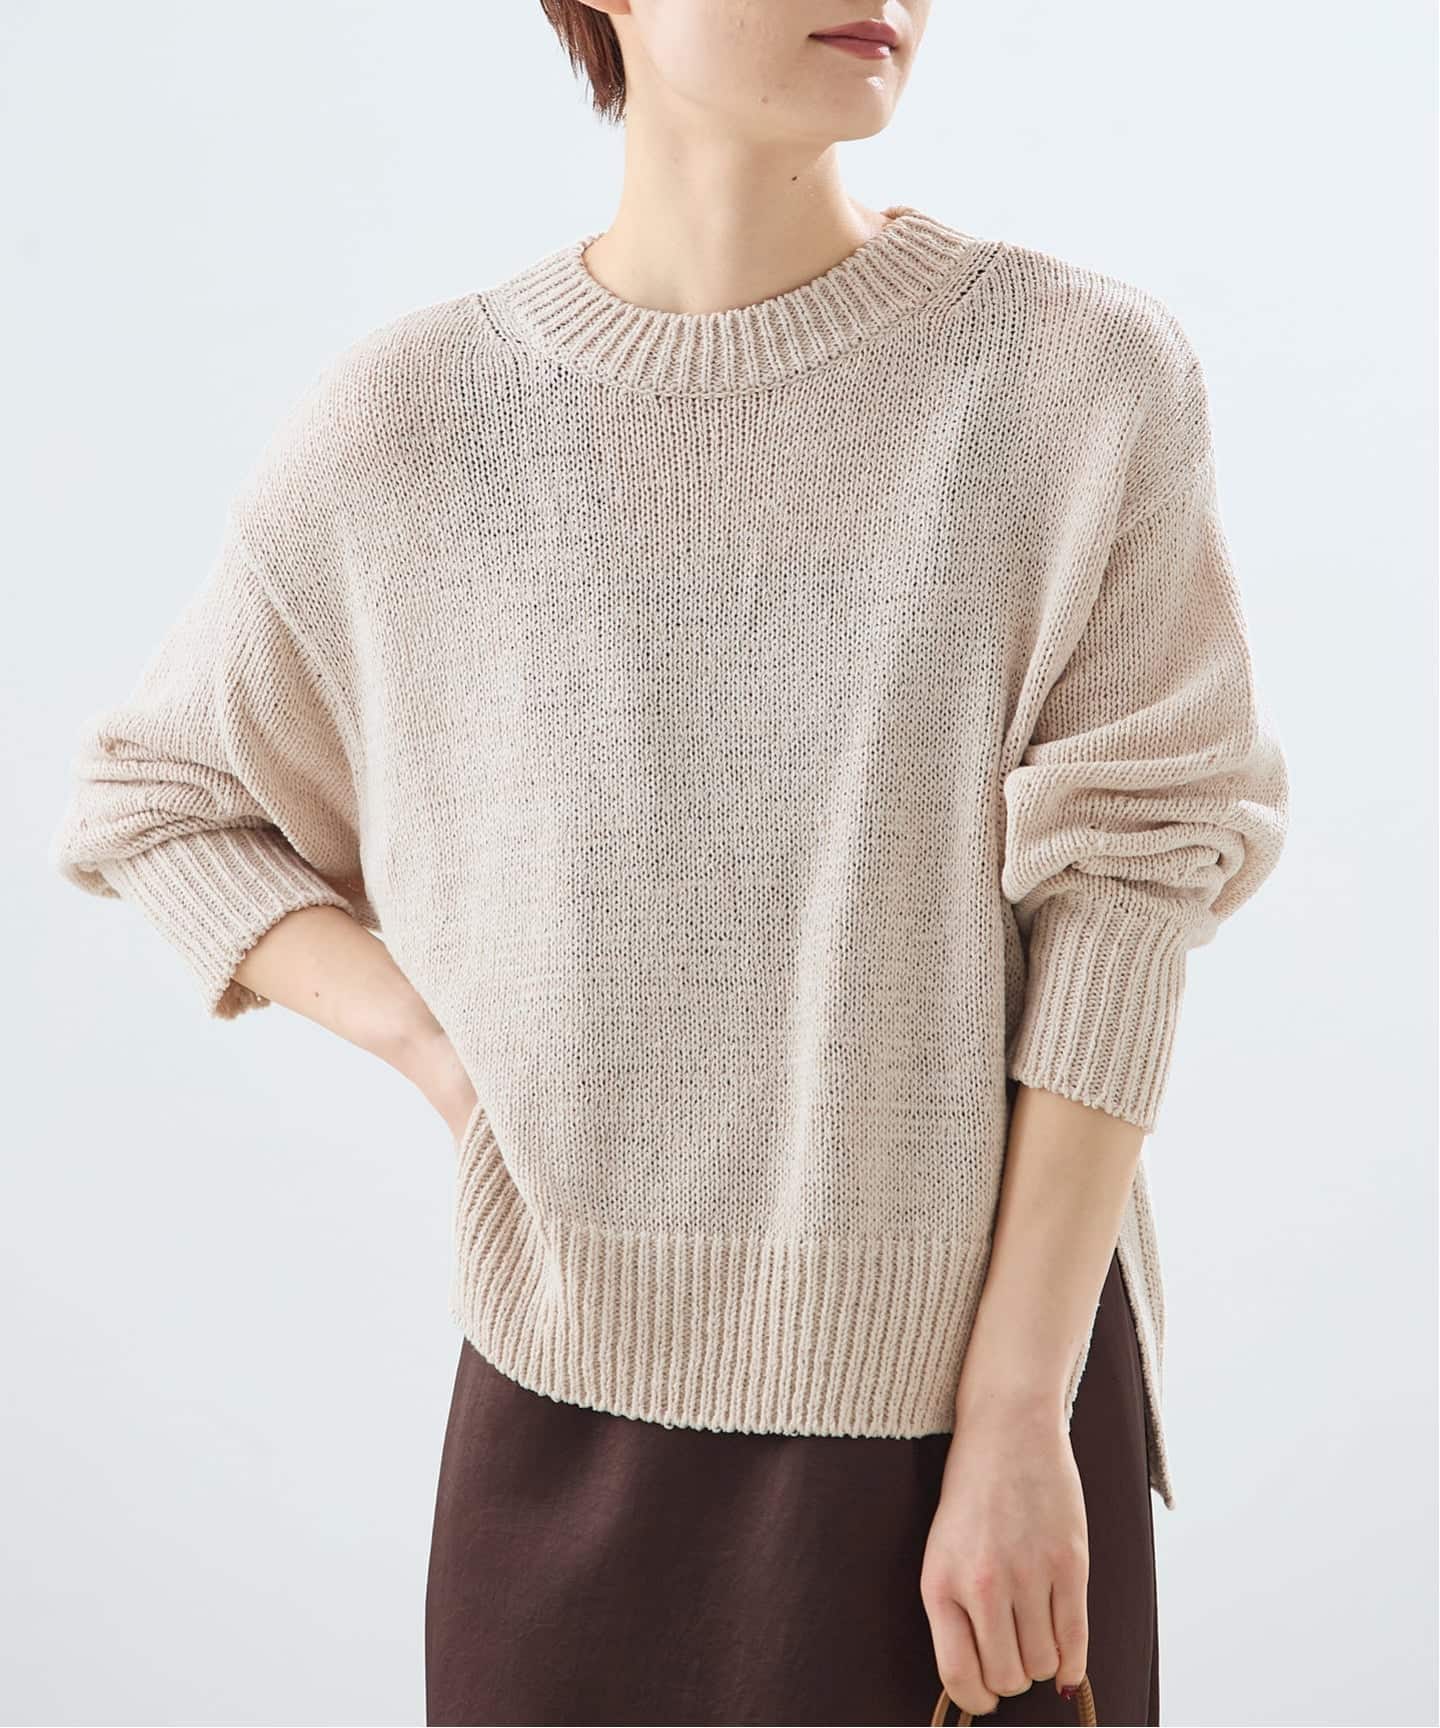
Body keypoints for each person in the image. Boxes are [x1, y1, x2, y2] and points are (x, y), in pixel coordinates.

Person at [48, 2, 1289, 1723]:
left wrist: (1017, 1416)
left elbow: (1128, 898)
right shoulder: (413, 424)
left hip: (974, 1437)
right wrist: (452, 1063)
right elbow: (161, 795)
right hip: (568, 1410)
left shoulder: (1072, 377)